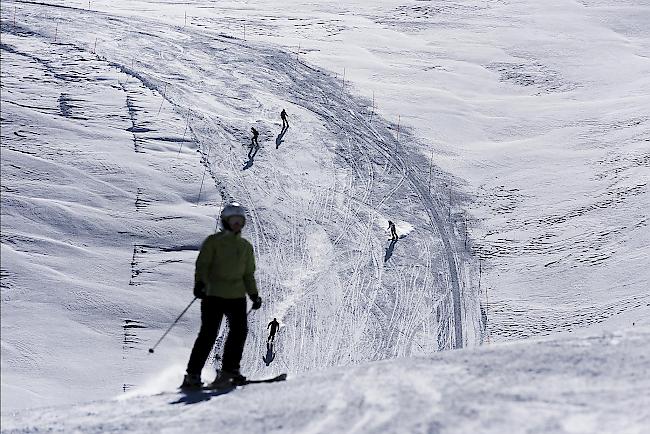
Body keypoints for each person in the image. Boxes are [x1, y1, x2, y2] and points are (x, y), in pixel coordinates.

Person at [181, 202, 263, 389]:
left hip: (236, 297)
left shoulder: (245, 247)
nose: (236, 224)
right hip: (214, 295)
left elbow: (248, 274)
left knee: (239, 333)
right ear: (225, 221)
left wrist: (254, 295)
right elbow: (202, 265)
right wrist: (200, 284)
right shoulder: (214, 242)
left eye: (239, 221)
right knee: (208, 334)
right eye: (233, 220)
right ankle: (192, 375)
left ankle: (229, 371)